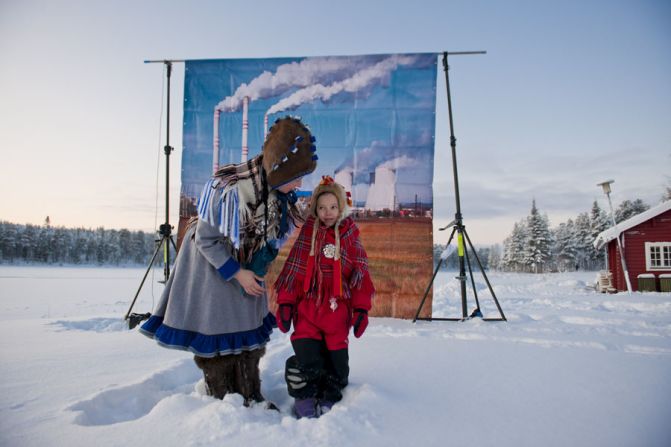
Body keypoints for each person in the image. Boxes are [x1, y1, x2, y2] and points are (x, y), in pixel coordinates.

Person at [139, 116, 318, 407]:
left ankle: (250, 395)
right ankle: (222, 399)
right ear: (279, 171)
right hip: (213, 267)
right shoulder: (231, 192)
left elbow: (271, 235)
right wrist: (238, 274)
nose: (300, 183)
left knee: (248, 336)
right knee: (218, 335)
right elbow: (205, 239)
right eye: (296, 177)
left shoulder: (275, 195)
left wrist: (254, 268)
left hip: (244, 268)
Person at [274, 176, 375, 418]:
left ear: (341, 208)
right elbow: (294, 271)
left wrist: (361, 310)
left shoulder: (350, 236)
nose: (327, 213)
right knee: (307, 355)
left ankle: (329, 395)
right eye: (321, 207)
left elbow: (360, 274)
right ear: (315, 209)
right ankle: (305, 397)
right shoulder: (309, 233)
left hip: (336, 312)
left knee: (336, 365)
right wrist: (287, 302)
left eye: (332, 207)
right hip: (308, 308)